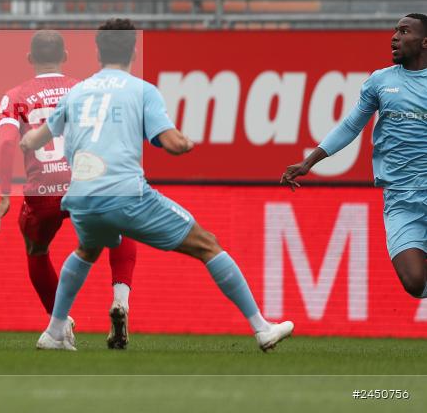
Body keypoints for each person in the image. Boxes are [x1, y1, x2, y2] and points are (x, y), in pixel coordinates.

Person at [21, 19, 294, 352]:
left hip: (81, 198)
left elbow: (35, 138)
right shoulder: (142, 90)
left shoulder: (77, 91)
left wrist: (25, 141)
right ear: (134, 49)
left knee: (86, 250)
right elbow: (171, 142)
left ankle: (54, 332)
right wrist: (185, 142)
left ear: (97, 51)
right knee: (207, 244)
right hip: (126, 194)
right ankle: (262, 328)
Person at [0, 30, 138, 349]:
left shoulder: (15, 95)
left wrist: (4, 194)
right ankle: (120, 300)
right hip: (87, 182)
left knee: (37, 250)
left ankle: (60, 324)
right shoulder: (84, 90)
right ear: (66, 56)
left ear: (30, 59)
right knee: (121, 229)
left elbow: (5, 144)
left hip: (43, 190)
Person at [282, 13, 427, 301]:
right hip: (400, 198)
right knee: (414, 282)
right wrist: (308, 162)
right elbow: (350, 126)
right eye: (394, 30)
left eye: (404, 31)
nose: (394, 37)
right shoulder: (380, 82)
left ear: (424, 42)